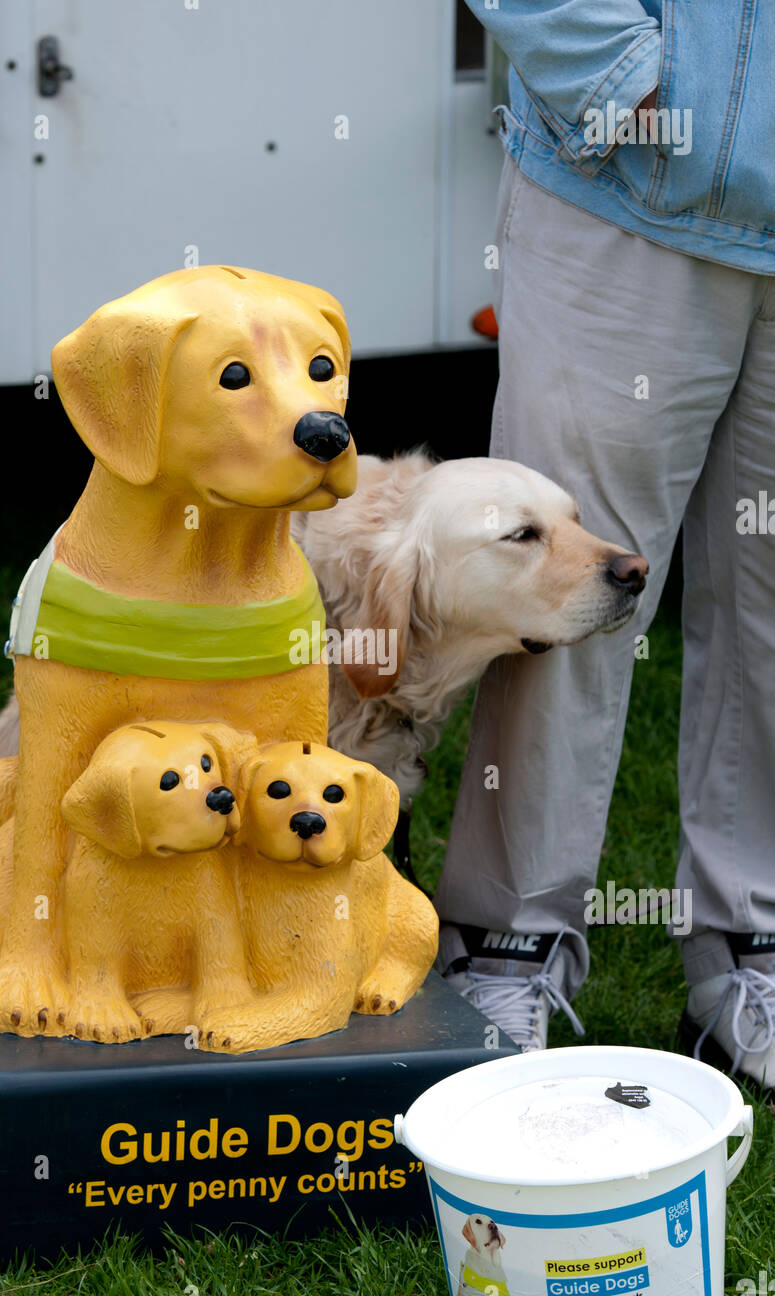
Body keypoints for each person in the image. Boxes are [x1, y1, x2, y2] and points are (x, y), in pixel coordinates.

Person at [436, 0, 775, 1087]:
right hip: (619, 186)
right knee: (558, 586)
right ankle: (508, 944)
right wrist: (617, 78)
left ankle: (749, 952)